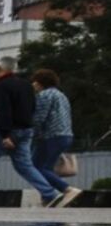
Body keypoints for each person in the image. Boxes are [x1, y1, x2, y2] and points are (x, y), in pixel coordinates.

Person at [0, 57, 63, 208]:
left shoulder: (1, 86)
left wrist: (5, 135)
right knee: (25, 166)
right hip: (26, 131)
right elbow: (30, 108)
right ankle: (50, 193)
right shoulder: (26, 85)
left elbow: (5, 110)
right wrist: (1, 116)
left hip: (7, 131)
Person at [30, 68, 80, 207]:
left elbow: (39, 118)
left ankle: (67, 190)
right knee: (42, 166)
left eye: (34, 81)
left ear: (40, 82)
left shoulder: (44, 95)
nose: (33, 85)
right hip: (65, 135)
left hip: (51, 136)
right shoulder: (61, 95)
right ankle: (47, 197)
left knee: (38, 168)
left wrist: (29, 134)